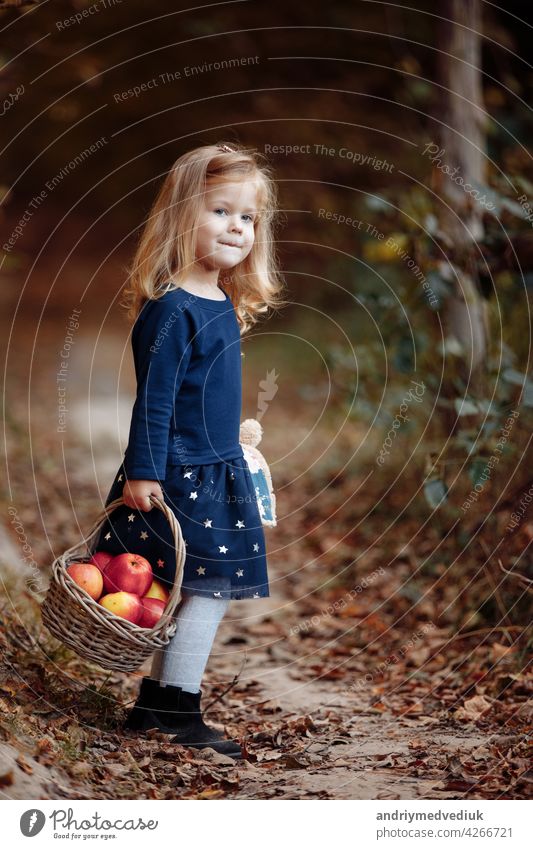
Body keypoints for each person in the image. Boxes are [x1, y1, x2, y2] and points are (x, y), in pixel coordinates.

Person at [92, 142, 285, 759]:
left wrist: (237, 444)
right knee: (206, 588)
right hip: (180, 473)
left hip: (216, 467)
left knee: (195, 587)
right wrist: (145, 470)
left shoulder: (220, 301)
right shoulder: (173, 309)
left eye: (248, 217)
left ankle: (156, 705)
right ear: (182, 219)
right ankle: (179, 707)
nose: (238, 227)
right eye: (221, 211)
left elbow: (207, 394)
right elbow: (154, 400)